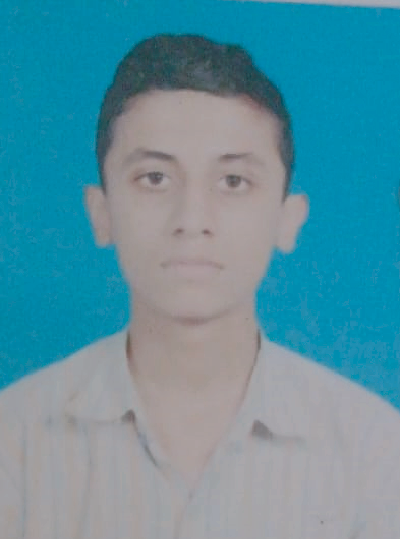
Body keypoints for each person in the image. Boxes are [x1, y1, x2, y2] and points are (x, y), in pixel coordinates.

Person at [1, 33, 400, 539]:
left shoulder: (376, 452)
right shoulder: (14, 439)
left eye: (233, 181)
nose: (192, 220)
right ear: (101, 212)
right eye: (155, 178)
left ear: (288, 218)